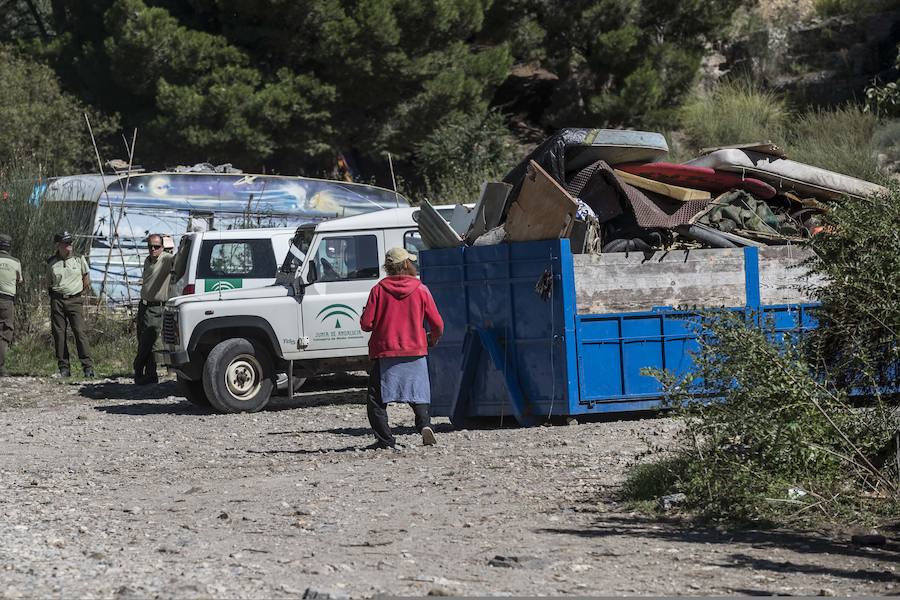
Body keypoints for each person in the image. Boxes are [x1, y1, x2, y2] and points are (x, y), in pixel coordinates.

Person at [360, 247, 444, 449]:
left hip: (385, 351)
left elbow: (366, 324)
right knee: (418, 392)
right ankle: (424, 425)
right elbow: (438, 324)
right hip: (415, 350)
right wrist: (432, 338)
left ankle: (385, 440)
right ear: (407, 264)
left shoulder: (378, 290)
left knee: (376, 399)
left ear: (388, 267)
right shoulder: (421, 289)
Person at [47, 231, 94, 378]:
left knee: (80, 332)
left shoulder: (79, 259)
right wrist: (57, 296)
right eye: (66, 243)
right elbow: (49, 283)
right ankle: (64, 368)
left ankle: (87, 368)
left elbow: (86, 280)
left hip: (75, 300)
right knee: (59, 334)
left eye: (70, 242)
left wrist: (76, 293)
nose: (69, 245)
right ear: (58, 245)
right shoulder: (51, 262)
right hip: (57, 301)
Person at [134, 233, 175, 385]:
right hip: (144, 305)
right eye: (150, 246)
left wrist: (170, 246)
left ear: (162, 247)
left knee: (148, 342)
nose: (153, 249)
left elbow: (179, 258)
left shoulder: (165, 259)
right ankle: (150, 374)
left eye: (156, 247)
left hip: (156, 307)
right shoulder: (148, 260)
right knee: (144, 340)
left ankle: (138, 368)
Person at [0, 234, 22, 377]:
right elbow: (20, 280)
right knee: (5, 331)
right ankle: (0, 367)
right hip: (6, 300)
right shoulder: (15, 262)